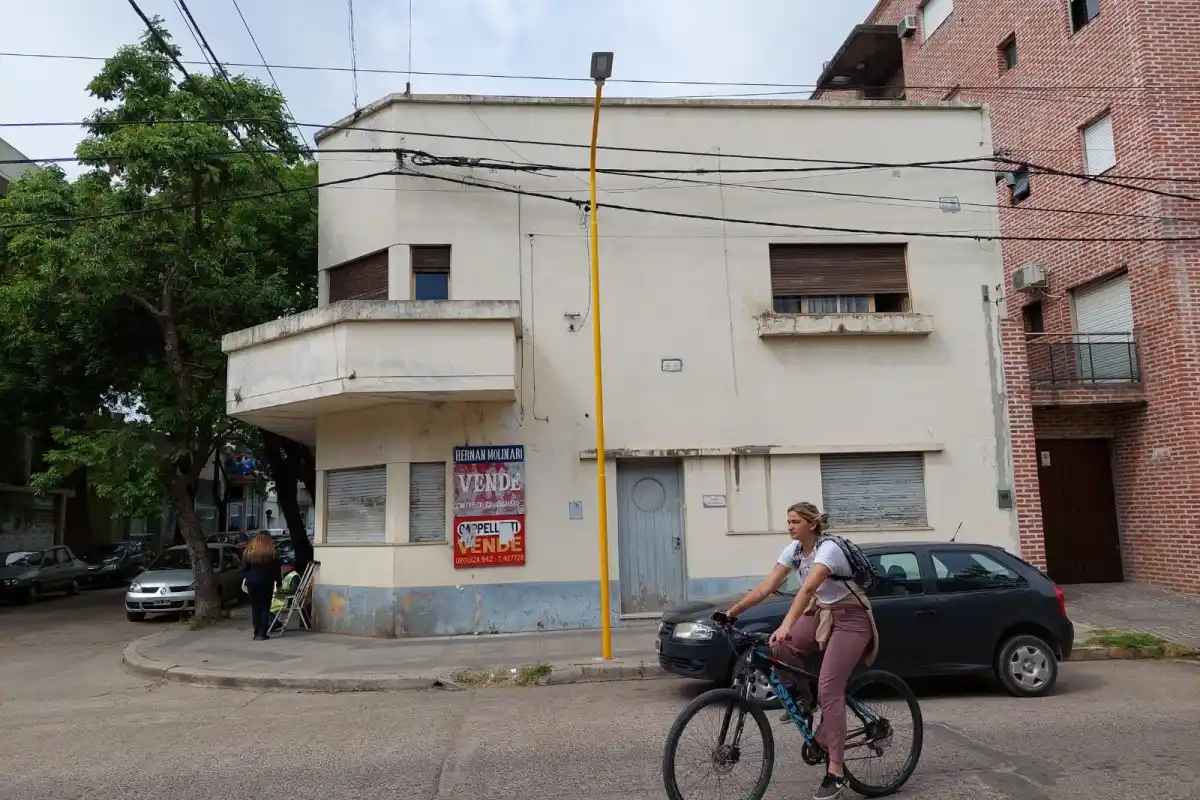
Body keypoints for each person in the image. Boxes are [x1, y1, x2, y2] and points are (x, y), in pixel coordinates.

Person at [724, 502, 879, 800]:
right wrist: (732, 612)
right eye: (788, 521)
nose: (790, 526)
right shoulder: (794, 551)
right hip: (822, 613)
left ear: (812, 524)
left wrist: (785, 624)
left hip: (851, 618)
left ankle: (836, 771)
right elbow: (767, 586)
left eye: (795, 521)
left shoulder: (828, 550)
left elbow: (807, 589)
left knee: (830, 687)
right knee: (778, 646)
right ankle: (807, 702)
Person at [241, 533, 282, 641]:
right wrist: (279, 583)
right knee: (265, 607)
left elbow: (244, 568)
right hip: (267, 582)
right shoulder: (272, 553)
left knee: (255, 607)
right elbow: (277, 570)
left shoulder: (248, 552)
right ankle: (262, 633)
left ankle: (256, 632)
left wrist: (248, 577)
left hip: (252, 582)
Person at [267, 559, 301, 635]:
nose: (283, 567)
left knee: (265, 607)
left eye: (286, 566)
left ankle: (275, 623)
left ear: (291, 567)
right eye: (282, 565)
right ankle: (274, 623)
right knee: (263, 606)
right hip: (281, 599)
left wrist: (281, 592)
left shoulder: (294, 576)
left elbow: (295, 590)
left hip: (287, 601)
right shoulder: (283, 575)